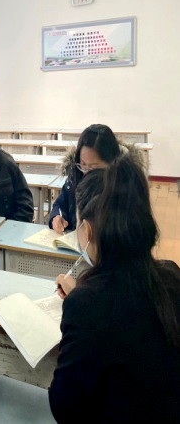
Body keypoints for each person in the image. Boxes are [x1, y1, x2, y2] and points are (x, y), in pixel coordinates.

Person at [49, 156, 180, 422]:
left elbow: (65, 407)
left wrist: (80, 300)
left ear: (87, 230)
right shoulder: (171, 275)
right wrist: (81, 292)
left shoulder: (86, 306)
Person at [48, 124, 121, 234]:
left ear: (111, 163)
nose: (86, 172)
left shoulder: (123, 188)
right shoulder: (75, 176)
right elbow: (60, 203)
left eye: (93, 167)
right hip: (72, 239)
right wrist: (57, 216)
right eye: (82, 164)